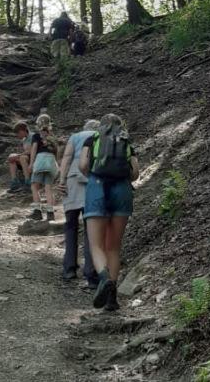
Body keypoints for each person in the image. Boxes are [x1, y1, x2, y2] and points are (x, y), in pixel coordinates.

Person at [79, 113, 139, 311]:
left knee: (97, 245)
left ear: (101, 126)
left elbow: (83, 166)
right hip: (122, 190)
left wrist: (95, 175)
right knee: (113, 246)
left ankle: (104, 279)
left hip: (97, 186)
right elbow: (135, 173)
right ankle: (112, 299)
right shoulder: (126, 141)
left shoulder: (93, 138)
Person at [58, 119, 100, 285]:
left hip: (73, 177)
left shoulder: (75, 137)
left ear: (85, 127)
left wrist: (61, 180)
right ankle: (90, 272)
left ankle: (69, 268)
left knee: (71, 224)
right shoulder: (100, 136)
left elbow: (67, 157)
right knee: (91, 225)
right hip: (93, 178)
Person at [28, 113, 60, 221]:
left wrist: (31, 163)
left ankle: (37, 211)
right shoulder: (52, 137)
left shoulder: (36, 136)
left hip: (40, 160)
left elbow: (34, 149)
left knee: (34, 185)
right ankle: (50, 213)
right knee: (48, 187)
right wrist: (57, 164)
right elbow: (56, 150)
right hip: (51, 161)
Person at [7, 121, 33, 192]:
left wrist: (18, 155)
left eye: (18, 133)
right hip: (25, 159)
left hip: (33, 159)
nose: (17, 135)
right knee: (12, 158)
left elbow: (31, 150)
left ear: (22, 131)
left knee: (22, 157)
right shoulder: (24, 140)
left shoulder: (32, 136)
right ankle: (14, 181)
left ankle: (28, 181)